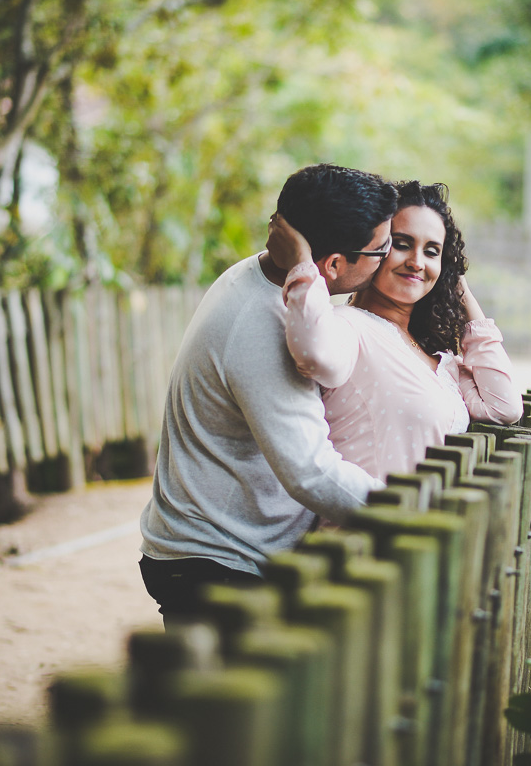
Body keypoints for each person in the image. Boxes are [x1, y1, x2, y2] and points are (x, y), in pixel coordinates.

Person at [138, 163, 398, 622]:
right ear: (334, 264)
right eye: (382, 249)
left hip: (217, 550)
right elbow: (311, 473)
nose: (390, 257)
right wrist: (409, 510)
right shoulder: (266, 326)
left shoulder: (262, 275)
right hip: (217, 563)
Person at [268, 180, 523, 479]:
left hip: (433, 509)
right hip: (369, 508)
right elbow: (314, 354)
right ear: (375, 248)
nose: (417, 262)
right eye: (401, 244)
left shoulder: (439, 361)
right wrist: (301, 263)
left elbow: (504, 407)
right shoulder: (349, 326)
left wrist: (459, 287)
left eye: (432, 251)